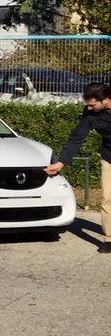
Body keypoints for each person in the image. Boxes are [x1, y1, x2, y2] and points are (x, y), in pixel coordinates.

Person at [45, 82, 111, 253]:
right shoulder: (90, 113)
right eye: (87, 104)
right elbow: (77, 137)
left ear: (107, 99)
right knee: (108, 198)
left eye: (92, 104)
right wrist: (61, 162)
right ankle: (109, 238)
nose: (89, 108)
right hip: (109, 157)